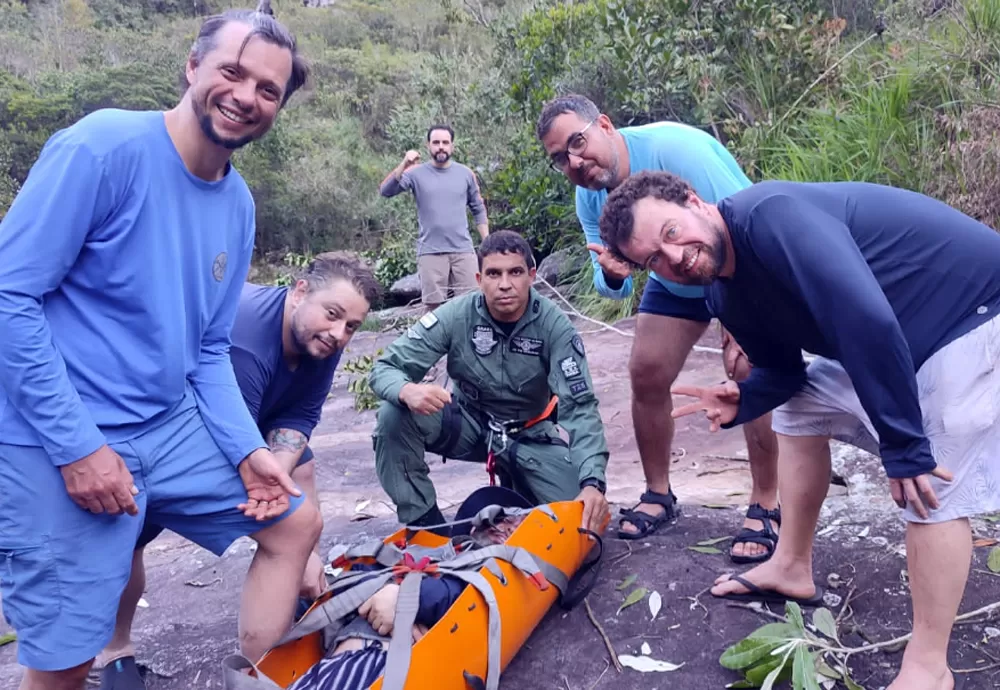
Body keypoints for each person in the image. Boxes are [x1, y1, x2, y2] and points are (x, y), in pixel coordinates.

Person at [0, 5, 321, 689]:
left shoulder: (237, 204)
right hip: (60, 430)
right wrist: (79, 448)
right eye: (233, 72)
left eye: (268, 90)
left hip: (166, 425)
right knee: (65, 658)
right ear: (193, 65)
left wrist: (248, 450)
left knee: (293, 522)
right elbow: (9, 297)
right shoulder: (104, 149)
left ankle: (260, 676)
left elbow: (207, 349)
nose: (246, 96)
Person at [597, 170, 1000, 690]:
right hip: (907, 338)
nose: (674, 258)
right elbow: (786, 375)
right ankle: (791, 564)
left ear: (694, 202)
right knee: (796, 409)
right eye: (654, 259)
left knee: (929, 476)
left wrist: (903, 447)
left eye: (671, 233)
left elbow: (865, 320)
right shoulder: (722, 293)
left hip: (975, 311)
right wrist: (746, 399)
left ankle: (930, 666)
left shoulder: (772, 216)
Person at [96, 252, 380, 690]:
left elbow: (300, 417)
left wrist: (279, 479)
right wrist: (270, 493)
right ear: (300, 290)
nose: (339, 333)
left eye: (351, 327)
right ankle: (114, 653)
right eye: (333, 315)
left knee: (299, 490)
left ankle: (267, 656)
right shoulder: (247, 336)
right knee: (131, 535)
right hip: (165, 427)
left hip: (242, 429)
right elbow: (228, 434)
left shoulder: (320, 339)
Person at [535, 94, 780, 562]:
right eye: (559, 158)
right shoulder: (589, 195)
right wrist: (612, 273)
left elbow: (746, 222)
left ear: (604, 124)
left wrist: (741, 319)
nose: (573, 161)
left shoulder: (677, 150)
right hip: (674, 278)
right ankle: (658, 493)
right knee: (645, 371)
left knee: (749, 369)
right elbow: (613, 290)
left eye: (578, 143)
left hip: (735, 265)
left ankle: (768, 502)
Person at [368, 230, 611, 535]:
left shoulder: (555, 326)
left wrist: (592, 483)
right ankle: (426, 527)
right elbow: (386, 367)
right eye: (494, 274)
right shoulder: (455, 316)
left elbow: (581, 408)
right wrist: (407, 390)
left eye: (515, 272)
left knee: (585, 525)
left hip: (530, 433)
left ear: (532, 275)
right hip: (469, 426)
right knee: (393, 413)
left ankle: (524, 482)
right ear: (479, 277)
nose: (505, 284)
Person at [287, 486, 530, 690]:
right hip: (347, 661)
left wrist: (407, 600)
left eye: (514, 526)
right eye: (499, 521)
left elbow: (460, 595)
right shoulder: (424, 551)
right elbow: (355, 577)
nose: (506, 528)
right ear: (473, 528)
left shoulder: (493, 574)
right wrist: (387, 594)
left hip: (381, 664)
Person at [379, 124, 490, 311]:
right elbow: (386, 190)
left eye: (445, 142)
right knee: (433, 309)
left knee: (472, 304)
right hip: (430, 251)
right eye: (436, 142)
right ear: (428, 145)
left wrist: (487, 242)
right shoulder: (415, 173)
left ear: (452, 146)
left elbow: (478, 208)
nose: (441, 147)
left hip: (463, 250)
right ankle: (436, 341)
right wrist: (404, 164)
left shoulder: (465, 173)